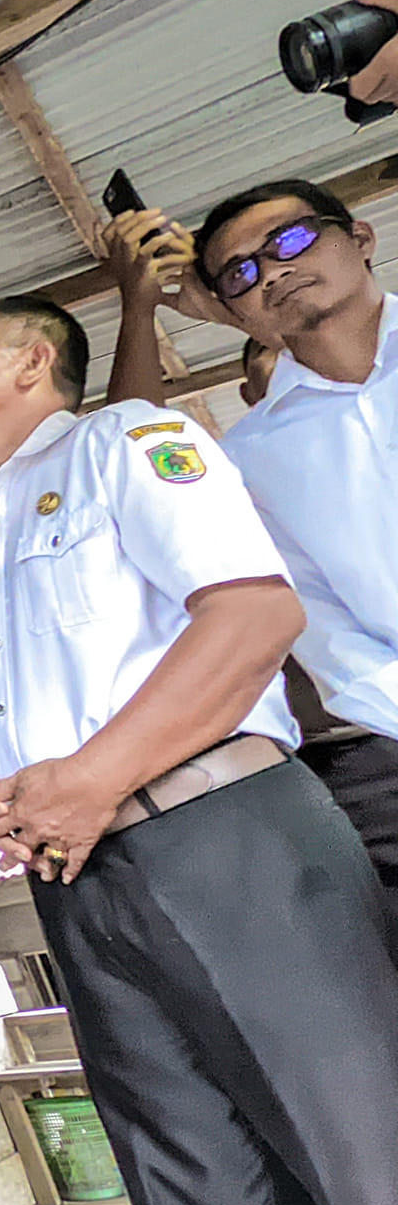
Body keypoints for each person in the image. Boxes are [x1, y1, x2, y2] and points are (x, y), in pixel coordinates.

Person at [0, 294, 398, 1205]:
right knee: (188, 1177)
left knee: (365, 1147)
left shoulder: (127, 441)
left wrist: (92, 779)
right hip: (75, 875)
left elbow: (255, 614)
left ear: (31, 361)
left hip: (223, 837)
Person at [101, 196, 391, 914]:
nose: (273, 270)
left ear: (361, 237)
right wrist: (141, 307)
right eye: (241, 273)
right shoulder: (251, 460)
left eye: (290, 240)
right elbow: (331, 639)